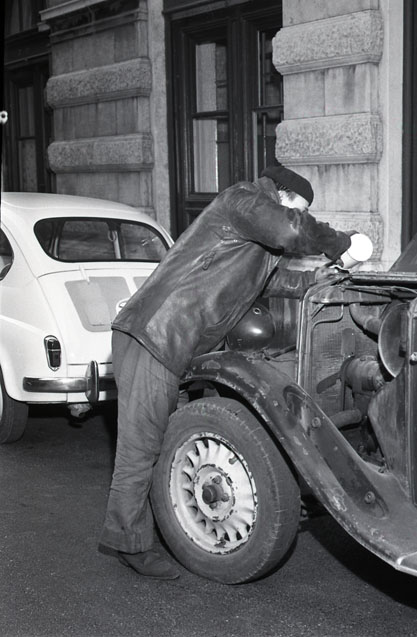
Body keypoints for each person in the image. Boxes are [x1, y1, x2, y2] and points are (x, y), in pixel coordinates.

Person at [99, 166, 352, 579]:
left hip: (176, 342)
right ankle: (128, 543)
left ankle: (166, 523)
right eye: (301, 208)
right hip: (155, 335)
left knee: (169, 441)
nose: (302, 216)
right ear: (283, 195)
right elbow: (290, 230)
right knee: (140, 449)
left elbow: (268, 277)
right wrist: (340, 243)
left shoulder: (253, 232)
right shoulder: (242, 200)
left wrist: (315, 278)